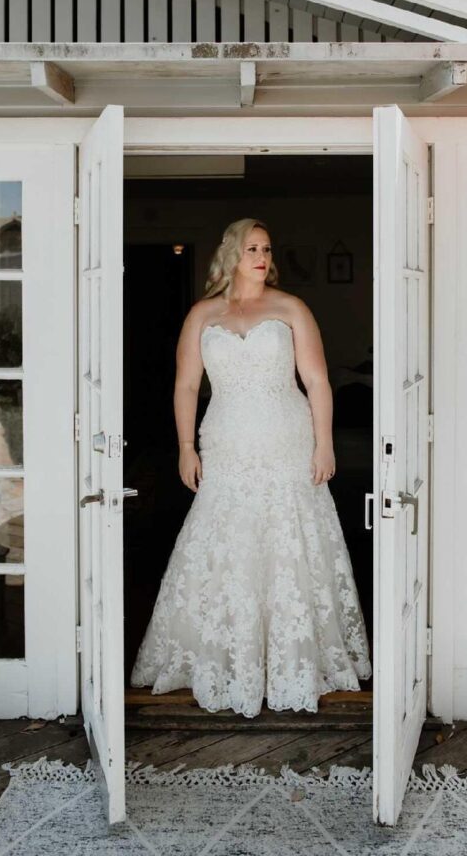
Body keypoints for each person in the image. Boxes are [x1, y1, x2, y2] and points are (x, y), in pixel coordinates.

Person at [129, 218, 372, 717]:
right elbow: (185, 387)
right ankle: (221, 657)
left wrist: (325, 445)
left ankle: (293, 659)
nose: (261, 257)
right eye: (251, 248)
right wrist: (184, 447)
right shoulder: (202, 314)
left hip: (286, 439)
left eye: (266, 248)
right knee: (225, 542)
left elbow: (319, 381)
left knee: (290, 545)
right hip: (226, 442)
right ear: (231, 255)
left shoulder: (290, 308)